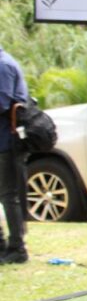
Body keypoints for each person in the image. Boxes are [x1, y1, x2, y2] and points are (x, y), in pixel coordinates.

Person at [0, 43, 29, 265]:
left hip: (6, 142)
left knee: (9, 195)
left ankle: (17, 248)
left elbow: (2, 103)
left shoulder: (3, 65)